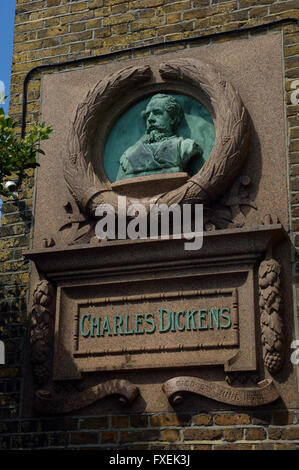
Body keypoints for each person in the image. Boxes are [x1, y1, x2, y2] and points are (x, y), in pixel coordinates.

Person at [116, 93, 202, 180]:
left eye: (157, 113)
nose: (150, 119)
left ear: (173, 119)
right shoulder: (129, 154)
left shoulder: (185, 146)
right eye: (147, 115)